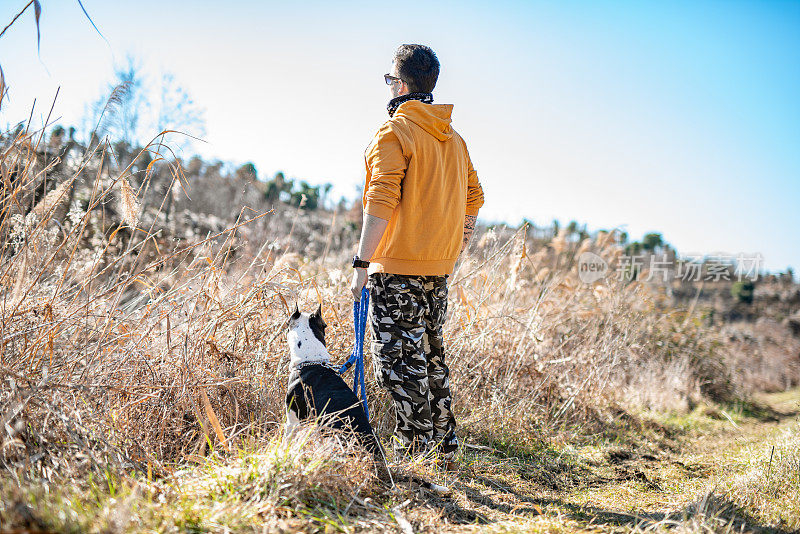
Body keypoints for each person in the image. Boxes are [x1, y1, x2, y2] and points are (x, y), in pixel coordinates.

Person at [349, 44, 484, 462]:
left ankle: (415, 455)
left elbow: (381, 197)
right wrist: (452, 248)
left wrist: (361, 263)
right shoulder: (455, 140)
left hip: (395, 271)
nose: (388, 86)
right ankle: (444, 450)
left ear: (401, 84)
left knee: (398, 365)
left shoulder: (394, 133)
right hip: (437, 272)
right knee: (429, 357)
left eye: (390, 79)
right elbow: (474, 199)